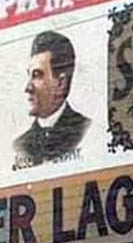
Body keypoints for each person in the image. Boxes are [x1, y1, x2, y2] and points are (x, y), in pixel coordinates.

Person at [13, 29, 90, 165]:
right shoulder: (20, 144)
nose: (28, 88)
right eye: (29, 75)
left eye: (37, 75)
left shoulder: (85, 130)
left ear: (61, 83)